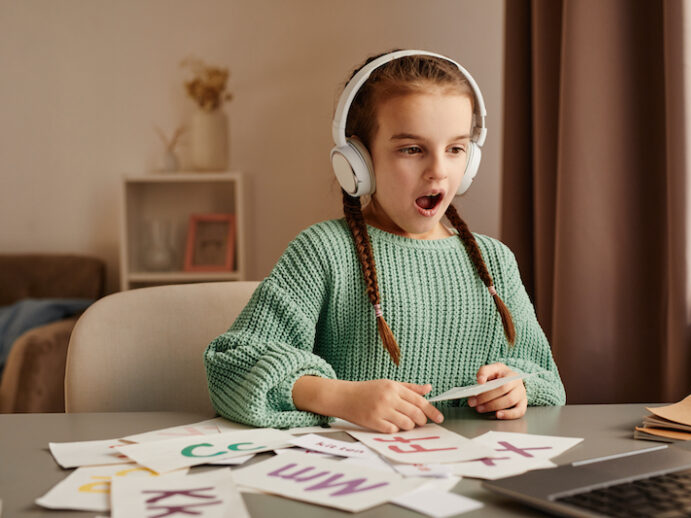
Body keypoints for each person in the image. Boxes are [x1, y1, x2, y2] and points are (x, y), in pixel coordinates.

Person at [204, 50, 565, 433]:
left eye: (456, 149)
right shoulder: (323, 252)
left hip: (466, 481)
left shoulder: (496, 261)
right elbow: (230, 365)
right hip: (350, 479)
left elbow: (547, 381)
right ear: (358, 161)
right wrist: (340, 397)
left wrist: (517, 388)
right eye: (412, 149)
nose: (439, 171)